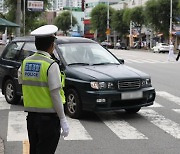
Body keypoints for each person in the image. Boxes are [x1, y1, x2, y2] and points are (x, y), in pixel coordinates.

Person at [18, 25, 69, 154]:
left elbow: (21, 80)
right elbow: (55, 95)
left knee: (34, 151)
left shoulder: (25, 62)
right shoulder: (51, 65)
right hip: (49, 121)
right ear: (52, 45)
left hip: (32, 118)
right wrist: (63, 119)